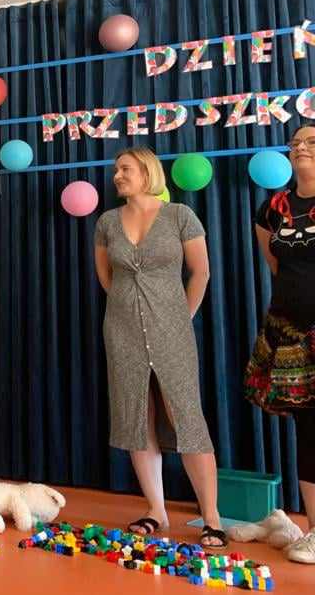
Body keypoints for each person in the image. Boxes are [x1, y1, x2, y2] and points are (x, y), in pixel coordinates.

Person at [94, 147, 225, 548]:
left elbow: (201, 272)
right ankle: (156, 510)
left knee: (185, 414)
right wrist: (128, 309)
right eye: (116, 170)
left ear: (147, 172)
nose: (117, 175)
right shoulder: (107, 222)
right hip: (121, 331)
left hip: (172, 329)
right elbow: (107, 277)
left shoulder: (180, 216)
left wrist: (180, 316)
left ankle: (211, 516)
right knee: (136, 415)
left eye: (125, 169)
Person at [248, 123, 315, 564]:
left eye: (311, 142)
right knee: (308, 429)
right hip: (291, 333)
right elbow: (275, 264)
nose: (300, 148)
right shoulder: (272, 208)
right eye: (295, 143)